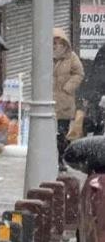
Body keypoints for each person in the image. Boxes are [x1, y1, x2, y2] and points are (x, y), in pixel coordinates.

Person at [52, 28, 84, 172]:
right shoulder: (46, 55)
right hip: (49, 102)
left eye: (59, 42)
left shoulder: (71, 57)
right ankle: (51, 158)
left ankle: (60, 159)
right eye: (54, 42)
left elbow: (79, 73)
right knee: (48, 133)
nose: (56, 45)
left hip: (64, 102)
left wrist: (67, 87)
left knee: (62, 134)